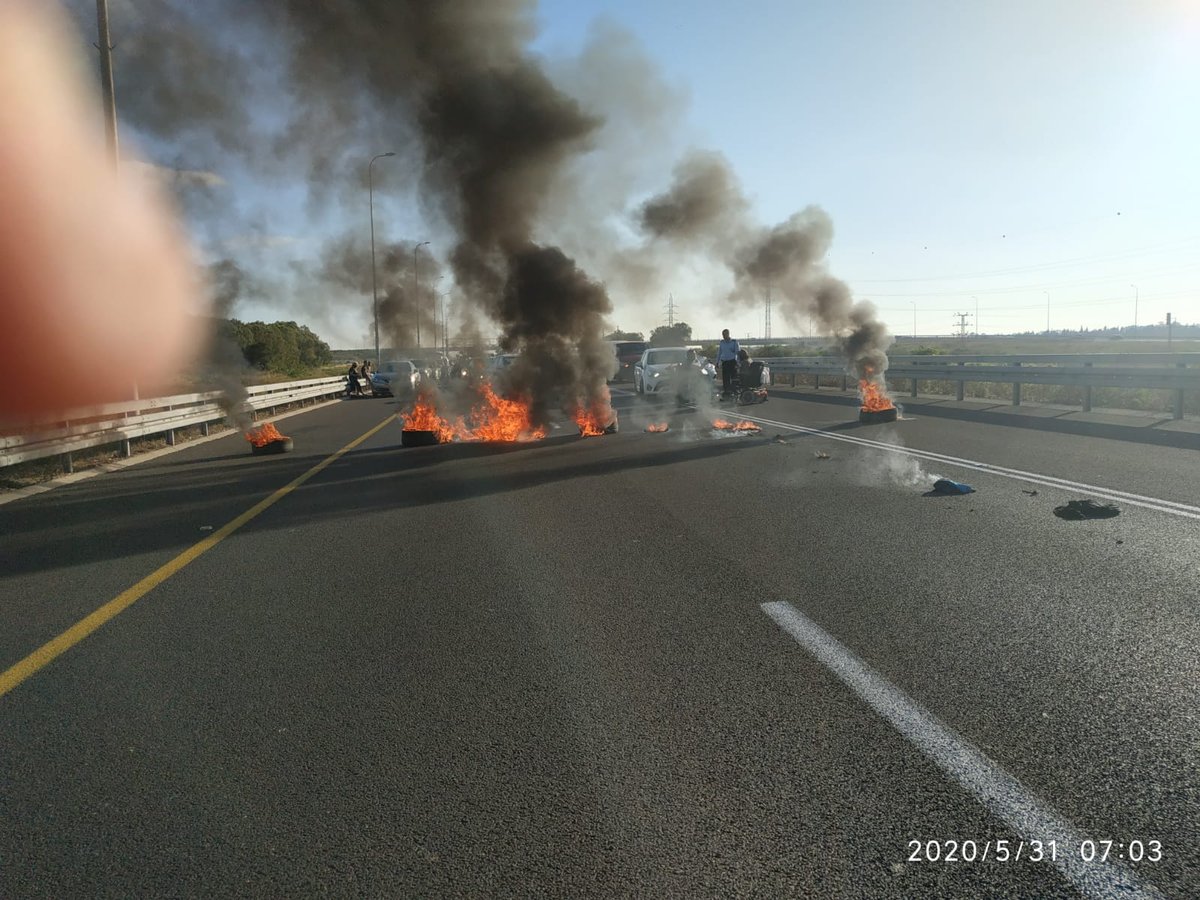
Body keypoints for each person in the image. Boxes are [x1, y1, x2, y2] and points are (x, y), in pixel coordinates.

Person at [716, 329, 740, 397]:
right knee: (725, 379)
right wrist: (717, 362)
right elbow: (719, 353)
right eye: (723, 334)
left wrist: (738, 363)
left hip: (732, 362)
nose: (723, 336)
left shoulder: (734, 342)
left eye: (725, 334)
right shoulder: (722, 342)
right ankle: (727, 393)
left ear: (728, 334)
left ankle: (735, 392)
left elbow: (738, 353)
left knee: (734, 378)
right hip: (725, 362)